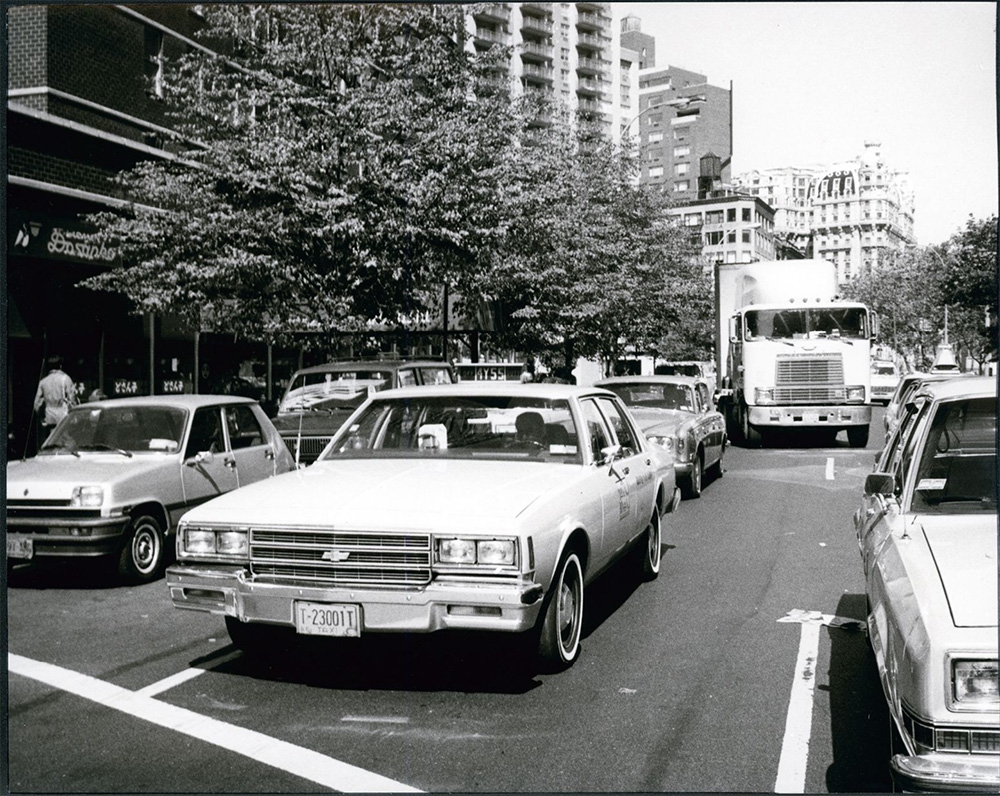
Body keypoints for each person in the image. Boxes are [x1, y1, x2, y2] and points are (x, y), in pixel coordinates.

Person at [34, 355, 77, 446]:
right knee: (66, 442)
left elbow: (36, 404)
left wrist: (42, 417)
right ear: (60, 366)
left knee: (50, 442)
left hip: (49, 416)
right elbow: (71, 400)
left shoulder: (43, 382)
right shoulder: (66, 379)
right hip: (62, 416)